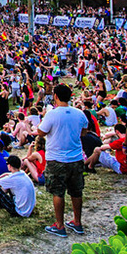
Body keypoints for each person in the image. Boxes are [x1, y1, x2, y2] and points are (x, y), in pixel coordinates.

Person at [35, 84, 88, 238]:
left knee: (58, 192)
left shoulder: (52, 114)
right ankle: (77, 222)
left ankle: (59, 225)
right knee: (76, 191)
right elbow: (84, 132)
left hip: (56, 159)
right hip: (76, 157)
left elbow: (40, 132)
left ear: (56, 97)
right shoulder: (79, 114)